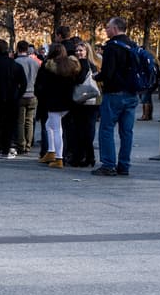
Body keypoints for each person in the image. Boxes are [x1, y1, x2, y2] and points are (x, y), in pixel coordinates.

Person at [92, 16, 141, 177]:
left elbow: (108, 73)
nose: (105, 30)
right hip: (131, 94)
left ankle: (108, 164)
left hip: (114, 94)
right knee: (127, 132)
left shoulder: (112, 47)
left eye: (107, 27)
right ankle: (124, 165)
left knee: (106, 129)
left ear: (115, 28)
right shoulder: (132, 45)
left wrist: (96, 77)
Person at [34, 44, 82, 169]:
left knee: (55, 128)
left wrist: (41, 96)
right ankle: (51, 152)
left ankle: (58, 157)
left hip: (53, 101)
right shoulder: (71, 65)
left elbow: (41, 85)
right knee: (50, 125)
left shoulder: (48, 66)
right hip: (67, 101)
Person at [64, 42, 100, 168]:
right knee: (87, 130)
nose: (78, 53)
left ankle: (82, 157)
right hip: (91, 101)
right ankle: (89, 156)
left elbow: (79, 80)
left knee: (80, 131)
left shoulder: (83, 64)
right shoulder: (93, 64)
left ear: (87, 51)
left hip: (83, 102)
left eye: (81, 50)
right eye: (77, 50)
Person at [13, 41, 40, 155]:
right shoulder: (35, 63)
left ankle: (21, 144)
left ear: (18, 49)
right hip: (33, 94)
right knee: (29, 121)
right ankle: (28, 144)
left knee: (20, 121)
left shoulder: (16, 62)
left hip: (21, 95)